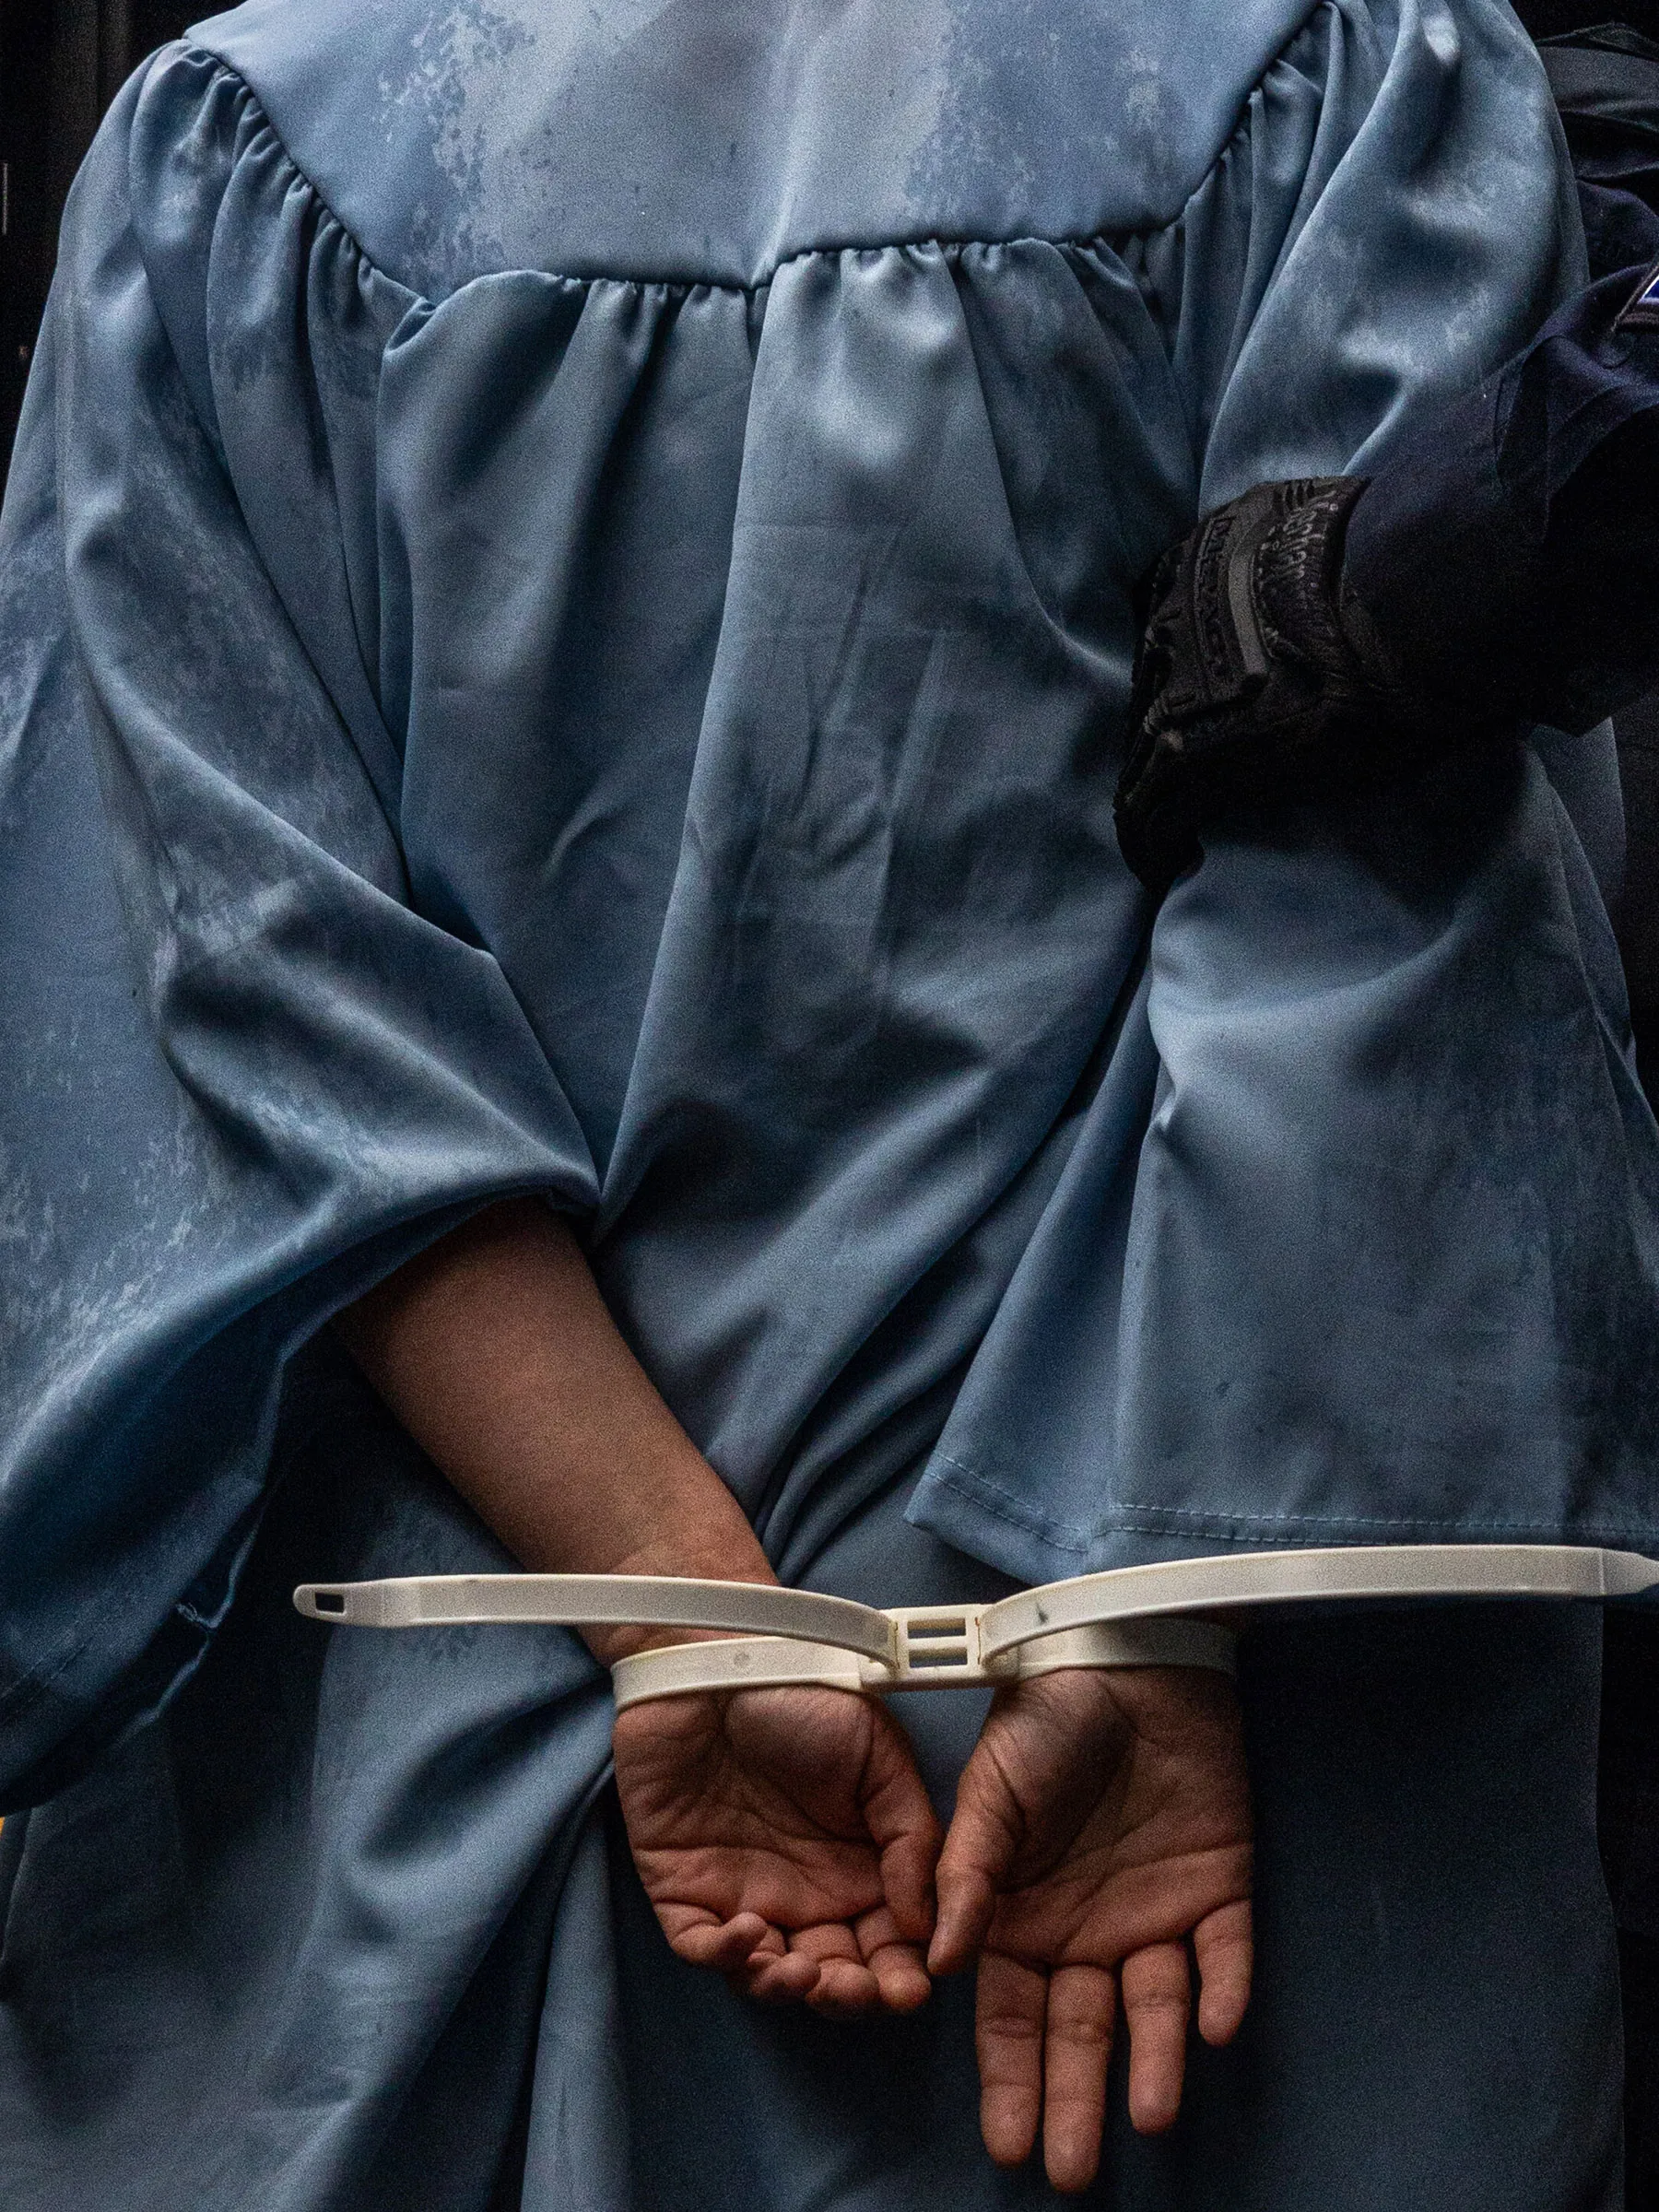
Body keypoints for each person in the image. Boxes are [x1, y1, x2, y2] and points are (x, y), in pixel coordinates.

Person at [0, 2, 1647, 2206]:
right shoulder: (1345, 74)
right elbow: (1375, 912)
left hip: (477, 1769)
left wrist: (678, 1594)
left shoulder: (233, 161)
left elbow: (241, 989)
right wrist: (1142, 1607)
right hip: (1224, 1781)